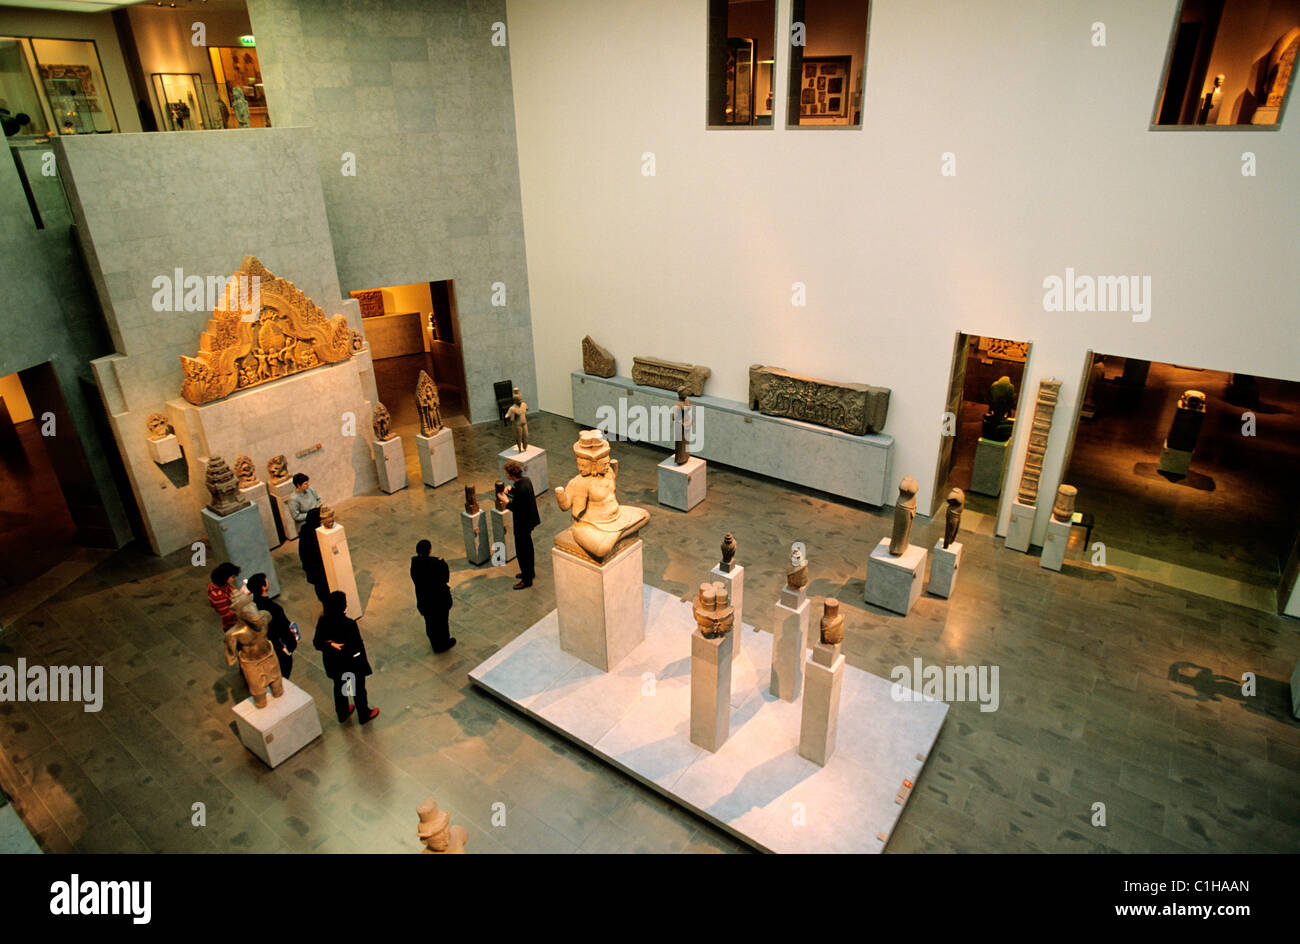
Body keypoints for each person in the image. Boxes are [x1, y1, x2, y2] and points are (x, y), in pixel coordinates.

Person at [313, 591, 378, 724]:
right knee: (358, 689)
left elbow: (317, 643)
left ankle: (342, 712)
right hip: (351, 664)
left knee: (340, 686)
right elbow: (356, 647)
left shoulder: (323, 621)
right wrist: (362, 665)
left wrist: (330, 644)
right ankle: (363, 713)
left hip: (334, 664)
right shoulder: (349, 624)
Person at [248, 573, 297, 679]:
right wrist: (292, 644)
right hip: (277, 648)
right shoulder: (274, 608)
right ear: (263, 587)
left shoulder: (251, 607)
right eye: (266, 581)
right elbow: (284, 629)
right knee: (282, 675)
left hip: (261, 649)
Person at [410, 540, 455, 654]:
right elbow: (445, 578)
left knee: (430, 623)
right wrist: (444, 565)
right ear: (430, 550)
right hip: (439, 600)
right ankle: (444, 643)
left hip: (424, 600)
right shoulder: (436, 564)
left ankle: (435, 644)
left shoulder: (414, 565)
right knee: (442, 622)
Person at [504, 460, 540, 589]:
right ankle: (529, 573)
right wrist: (511, 489)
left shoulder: (521, 489)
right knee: (528, 548)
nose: (505, 474)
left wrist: (506, 501)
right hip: (528, 521)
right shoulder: (526, 481)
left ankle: (526, 579)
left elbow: (516, 507)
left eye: (506, 473)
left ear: (511, 475)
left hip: (522, 524)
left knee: (522, 552)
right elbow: (520, 495)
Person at [298, 507, 330, 603]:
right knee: (323, 590)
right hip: (316, 569)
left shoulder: (306, 530)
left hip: (314, 569)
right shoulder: (312, 535)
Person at [207, 562, 241, 630]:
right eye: (232, 577)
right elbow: (226, 615)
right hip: (233, 625)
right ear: (225, 577)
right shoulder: (218, 597)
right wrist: (241, 609)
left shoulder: (219, 584)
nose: (234, 579)